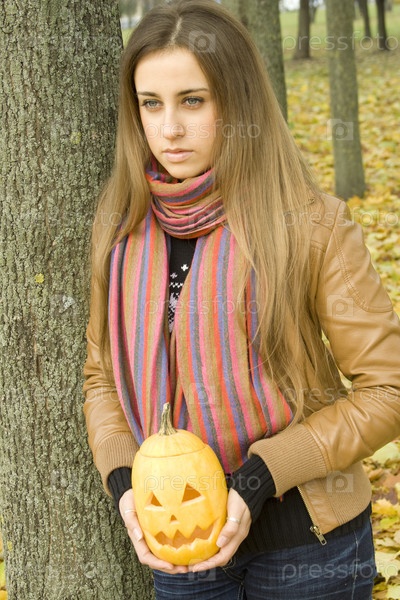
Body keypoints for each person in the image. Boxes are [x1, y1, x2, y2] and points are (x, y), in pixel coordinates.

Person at [83, 1, 400, 598]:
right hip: (178, 543)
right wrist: (127, 480)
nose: (169, 129)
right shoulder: (122, 229)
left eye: (193, 101)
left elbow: (388, 388)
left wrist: (261, 476)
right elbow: (101, 376)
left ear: (238, 103)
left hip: (308, 547)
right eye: (151, 104)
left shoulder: (312, 225)